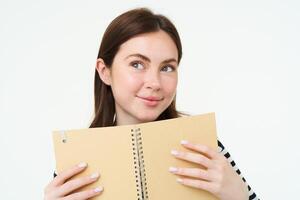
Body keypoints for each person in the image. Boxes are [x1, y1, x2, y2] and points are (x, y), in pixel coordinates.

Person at [44, 7, 259, 200]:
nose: (155, 83)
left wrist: (240, 197)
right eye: (137, 64)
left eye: (167, 68)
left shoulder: (205, 149)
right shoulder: (75, 161)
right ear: (105, 71)